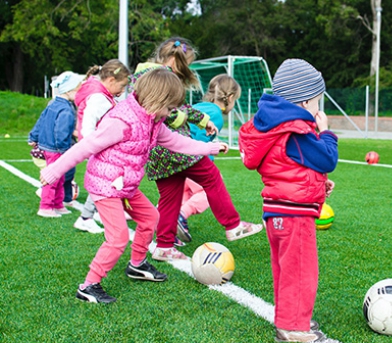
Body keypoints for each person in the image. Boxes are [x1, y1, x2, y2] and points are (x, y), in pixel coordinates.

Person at [40, 69, 229, 303]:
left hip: (125, 186)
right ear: (157, 100)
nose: (172, 113)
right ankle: (89, 285)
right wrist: (54, 170)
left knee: (151, 218)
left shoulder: (153, 120)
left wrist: (208, 148)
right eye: (170, 108)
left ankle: (137, 265)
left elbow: (175, 142)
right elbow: (85, 146)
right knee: (118, 237)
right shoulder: (120, 122)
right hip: (105, 186)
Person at [131, 37, 262, 262]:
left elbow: (179, 107)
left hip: (157, 153)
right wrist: (185, 120)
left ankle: (163, 246)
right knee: (211, 177)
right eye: (186, 64)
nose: (186, 70)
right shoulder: (159, 77)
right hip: (174, 147)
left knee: (170, 197)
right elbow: (166, 112)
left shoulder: (146, 74)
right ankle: (233, 225)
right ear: (174, 60)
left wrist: (202, 120)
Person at [238, 59, 339, 343]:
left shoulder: (275, 128)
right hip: (294, 215)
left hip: (278, 210)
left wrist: (319, 183)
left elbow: (289, 166)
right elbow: (327, 157)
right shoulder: (295, 130)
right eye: (317, 101)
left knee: (286, 270)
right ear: (305, 100)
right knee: (300, 270)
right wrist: (327, 132)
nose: (319, 108)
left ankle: (290, 317)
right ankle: (293, 327)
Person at [176, 74, 243, 243]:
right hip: (190, 159)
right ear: (230, 98)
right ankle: (181, 215)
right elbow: (198, 140)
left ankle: (164, 220)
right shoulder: (216, 115)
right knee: (208, 190)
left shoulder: (200, 106)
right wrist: (211, 151)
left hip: (176, 157)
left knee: (183, 194)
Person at [73, 59, 130, 234]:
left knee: (110, 179)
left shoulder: (102, 95)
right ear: (111, 81)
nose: (122, 92)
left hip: (101, 146)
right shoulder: (99, 98)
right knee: (104, 181)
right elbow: (88, 124)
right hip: (98, 147)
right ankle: (85, 217)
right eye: (121, 86)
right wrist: (94, 145)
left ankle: (97, 212)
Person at [28, 71, 84, 218]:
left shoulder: (53, 103)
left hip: (49, 146)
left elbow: (41, 120)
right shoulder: (66, 109)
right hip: (57, 149)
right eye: (78, 90)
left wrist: (33, 136)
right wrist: (64, 150)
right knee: (54, 178)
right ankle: (46, 206)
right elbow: (61, 131)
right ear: (70, 90)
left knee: (60, 177)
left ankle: (57, 204)